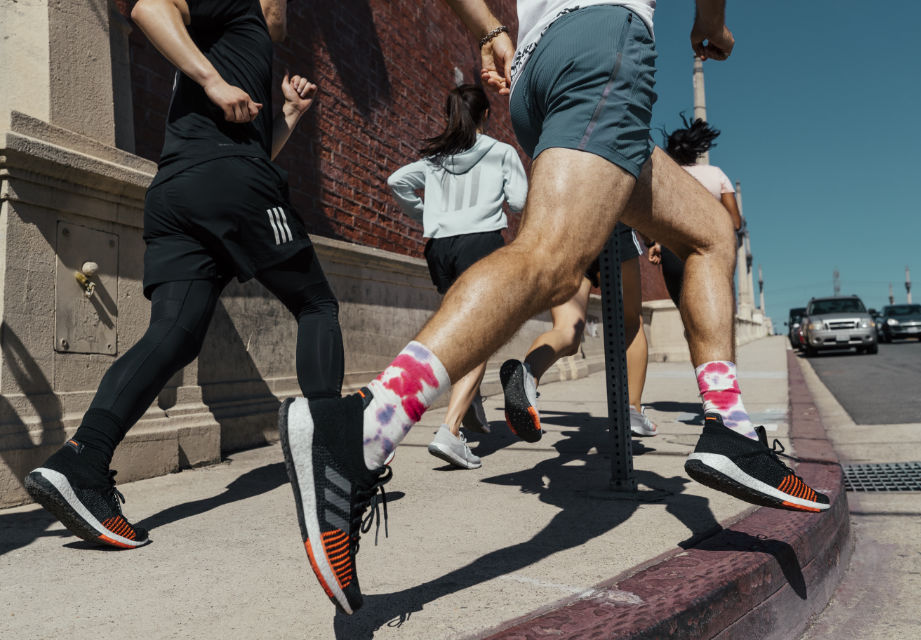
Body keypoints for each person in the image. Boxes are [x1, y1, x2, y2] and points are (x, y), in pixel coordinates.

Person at [278, 0, 829, 616]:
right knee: (550, 258)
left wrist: (492, 33)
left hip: (537, 71)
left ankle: (729, 428)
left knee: (709, 233)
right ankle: (360, 429)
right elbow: (704, 23)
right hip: (606, 43)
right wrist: (711, 23)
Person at [24, 0, 336, 550]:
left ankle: (82, 461)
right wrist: (213, 82)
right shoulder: (239, 8)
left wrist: (287, 114)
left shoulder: (239, 45)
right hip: (227, 181)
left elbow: (252, 146)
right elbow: (149, 6)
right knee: (316, 305)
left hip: (178, 190)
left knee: (175, 332)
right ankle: (334, 465)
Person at [387, 84, 528, 469]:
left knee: (462, 330)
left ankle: (469, 401)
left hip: (440, 249)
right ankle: (449, 432)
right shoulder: (501, 152)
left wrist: (428, 214)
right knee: (480, 337)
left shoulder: (436, 157)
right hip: (480, 244)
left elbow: (397, 181)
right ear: (486, 115)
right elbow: (518, 202)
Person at [500, 222, 658, 441]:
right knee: (631, 323)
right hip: (611, 229)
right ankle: (632, 411)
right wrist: (651, 239)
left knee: (566, 330)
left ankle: (527, 376)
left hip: (567, 234)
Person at [648, 116, 742, 320]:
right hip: (712, 250)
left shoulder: (665, 178)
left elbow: (658, 219)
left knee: (689, 317)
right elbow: (735, 223)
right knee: (713, 317)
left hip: (674, 253)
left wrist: (656, 243)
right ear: (696, 150)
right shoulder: (716, 174)